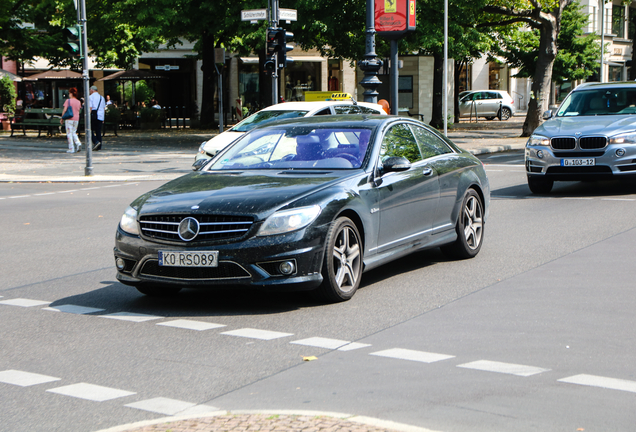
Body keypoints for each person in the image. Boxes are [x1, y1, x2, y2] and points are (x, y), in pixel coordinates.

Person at [60, 87, 82, 153]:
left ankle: (71, 148)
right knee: (74, 132)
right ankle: (78, 143)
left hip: (69, 119)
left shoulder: (68, 101)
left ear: (72, 94)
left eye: (69, 93)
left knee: (69, 133)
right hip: (76, 119)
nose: (69, 94)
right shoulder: (78, 102)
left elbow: (64, 110)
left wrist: (62, 118)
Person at [89, 85, 105, 151]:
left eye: (90, 90)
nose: (89, 91)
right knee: (98, 131)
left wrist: (88, 116)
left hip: (94, 115)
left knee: (90, 130)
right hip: (100, 116)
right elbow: (104, 108)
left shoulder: (90, 97)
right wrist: (103, 118)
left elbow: (90, 108)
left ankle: (95, 141)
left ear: (92, 90)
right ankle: (99, 146)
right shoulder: (102, 98)